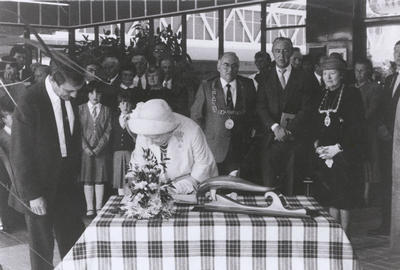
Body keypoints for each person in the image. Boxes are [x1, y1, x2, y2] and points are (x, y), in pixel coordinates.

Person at [10, 58, 85, 270]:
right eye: (69, 91)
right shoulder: (30, 101)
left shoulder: (71, 96)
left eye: (77, 91)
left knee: (73, 239)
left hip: (66, 184)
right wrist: (33, 194)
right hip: (39, 186)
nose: (75, 96)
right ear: (53, 80)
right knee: (42, 246)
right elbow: (20, 153)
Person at [312, 56, 366, 232]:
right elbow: (317, 124)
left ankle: (346, 233)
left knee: (344, 195)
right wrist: (317, 143)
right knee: (330, 194)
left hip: (344, 153)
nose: (328, 77)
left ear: (341, 75)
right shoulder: (322, 94)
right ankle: (335, 232)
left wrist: (338, 148)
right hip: (325, 153)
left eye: (332, 73)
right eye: (325, 73)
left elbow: (356, 127)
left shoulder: (351, 94)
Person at [256, 37, 313, 194]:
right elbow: (260, 106)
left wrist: (289, 130)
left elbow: (307, 108)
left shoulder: (304, 76)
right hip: (270, 140)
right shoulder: (264, 77)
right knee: (269, 188)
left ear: (291, 52)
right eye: (278, 51)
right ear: (273, 53)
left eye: (286, 51)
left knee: (293, 188)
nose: (282, 55)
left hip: (294, 140)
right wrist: (275, 128)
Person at [128, 99, 218, 194]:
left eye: (155, 138)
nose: (151, 142)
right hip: (156, 190)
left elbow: (203, 166)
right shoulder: (145, 131)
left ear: (169, 132)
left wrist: (174, 190)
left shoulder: (193, 130)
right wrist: (137, 182)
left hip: (190, 188)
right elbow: (138, 162)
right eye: (148, 137)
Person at [191, 52, 257, 176]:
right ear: (218, 67)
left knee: (236, 189)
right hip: (213, 148)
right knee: (215, 187)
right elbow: (196, 116)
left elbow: (253, 113)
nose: (230, 69)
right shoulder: (207, 86)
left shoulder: (248, 85)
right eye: (226, 65)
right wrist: (202, 143)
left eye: (234, 66)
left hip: (240, 148)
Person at [371, 40, 400, 235]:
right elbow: (381, 107)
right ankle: (387, 223)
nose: (398, 55)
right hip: (386, 140)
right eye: (396, 51)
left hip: (398, 138)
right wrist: (381, 127)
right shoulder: (390, 79)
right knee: (386, 181)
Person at [78, 82, 112, 216]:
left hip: (101, 151)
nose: (95, 96)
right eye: (91, 92)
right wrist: (85, 147)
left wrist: (99, 148)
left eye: (98, 93)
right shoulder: (80, 109)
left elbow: (108, 131)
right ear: (87, 94)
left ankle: (99, 207)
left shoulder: (106, 110)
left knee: (99, 177)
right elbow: (78, 131)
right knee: (87, 177)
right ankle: (89, 207)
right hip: (85, 151)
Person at [354, 59, 382, 205]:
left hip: (367, 131)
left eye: (362, 70)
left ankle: (366, 195)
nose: (358, 74)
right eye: (356, 70)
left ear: (368, 71)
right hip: (352, 131)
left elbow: (371, 111)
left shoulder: (374, 88)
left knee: (368, 164)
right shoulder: (351, 87)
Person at [112, 94, 135, 195]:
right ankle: (121, 201)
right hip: (118, 154)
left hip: (131, 153)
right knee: (119, 180)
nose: (125, 106)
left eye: (127, 103)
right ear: (118, 105)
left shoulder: (134, 119)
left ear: (131, 105)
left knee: (131, 180)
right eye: (122, 103)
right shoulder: (114, 119)